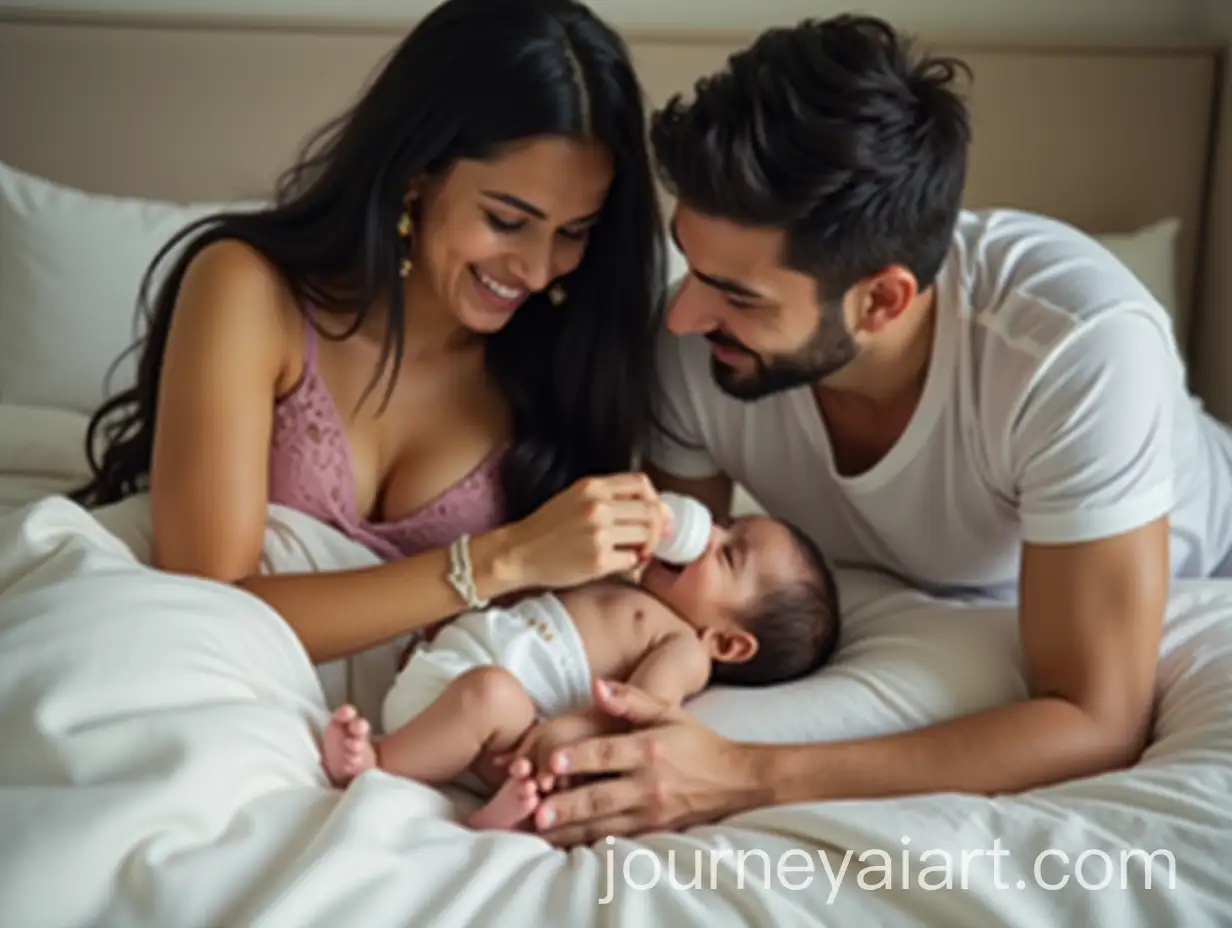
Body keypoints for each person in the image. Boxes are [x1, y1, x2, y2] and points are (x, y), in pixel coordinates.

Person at [513, 13, 1232, 846]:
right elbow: (672, 605)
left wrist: (744, 776)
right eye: (691, 265)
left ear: (882, 300)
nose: (683, 315)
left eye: (738, 295)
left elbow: (1095, 722)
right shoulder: (693, 351)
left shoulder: (1071, 346)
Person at [70, 0, 677, 665]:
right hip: (205, 667)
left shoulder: (569, 357)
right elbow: (207, 605)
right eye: (507, 221)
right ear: (416, 174)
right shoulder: (252, 290)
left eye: (574, 233)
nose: (536, 270)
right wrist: (502, 558)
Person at [318, 508, 840, 831]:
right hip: (450, 669)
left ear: (728, 643)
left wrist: (574, 731)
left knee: (492, 696)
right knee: (482, 691)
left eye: (728, 555)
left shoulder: (685, 649)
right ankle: (464, 776)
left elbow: (636, 711)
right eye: (723, 524)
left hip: (504, 736)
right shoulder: (624, 582)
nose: (709, 533)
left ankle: (379, 762)